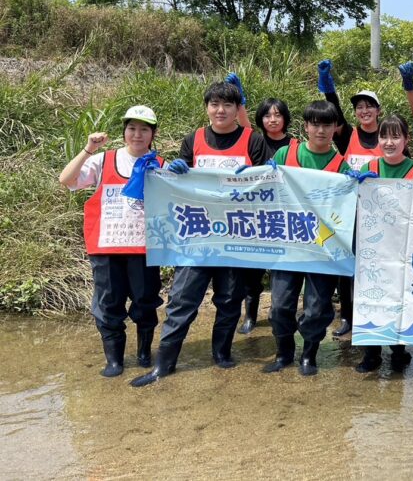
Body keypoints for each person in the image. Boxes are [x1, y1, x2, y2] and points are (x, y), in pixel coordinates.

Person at [131, 82, 270, 387]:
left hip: (236, 238)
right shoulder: (193, 140)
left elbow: (266, 187)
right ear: (207, 107)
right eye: (215, 105)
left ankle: (221, 354)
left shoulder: (253, 141)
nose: (220, 111)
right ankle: (163, 365)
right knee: (182, 300)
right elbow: (177, 188)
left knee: (230, 299)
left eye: (228, 105)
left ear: (237, 110)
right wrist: (176, 170)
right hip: (197, 237)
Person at [262, 100, 370, 376]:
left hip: (323, 251)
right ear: (306, 126)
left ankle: (309, 354)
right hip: (288, 247)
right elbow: (262, 184)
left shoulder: (343, 168)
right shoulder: (286, 154)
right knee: (280, 306)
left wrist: (366, 186)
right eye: (315, 124)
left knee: (317, 308)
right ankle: (283, 353)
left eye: (327, 124)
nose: (321, 130)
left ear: (336, 129)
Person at [59, 106, 164, 378]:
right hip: (106, 246)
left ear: (153, 134)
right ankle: (115, 360)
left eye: (144, 129)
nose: (137, 135)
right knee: (108, 304)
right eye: (132, 128)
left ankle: (143, 353)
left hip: (144, 247)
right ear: (124, 131)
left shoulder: (160, 165)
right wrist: (88, 149)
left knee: (145, 300)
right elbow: (66, 180)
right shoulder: (103, 161)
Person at [317, 59, 382, 337]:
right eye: (359, 107)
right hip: (348, 212)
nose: (364, 110)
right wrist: (327, 85)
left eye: (369, 105)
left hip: (380, 214)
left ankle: (376, 312)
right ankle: (347, 316)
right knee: (347, 266)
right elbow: (336, 113)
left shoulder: (388, 136)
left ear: (378, 110)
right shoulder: (348, 137)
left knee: (376, 264)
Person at [355, 114, 413, 374]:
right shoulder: (367, 169)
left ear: (406, 139)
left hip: (402, 249)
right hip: (371, 250)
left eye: (396, 136)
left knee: (398, 300)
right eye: (384, 136)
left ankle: (398, 349)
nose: (389, 142)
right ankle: (370, 353)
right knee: (369, 298)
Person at [236, 97, 293, 335]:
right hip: (256, 215)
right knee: (253, 270)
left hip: (284, 217)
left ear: (285, 118)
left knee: (281, 270)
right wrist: (239, 101)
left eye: (277, 115)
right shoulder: (255, 142)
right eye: (267, 115)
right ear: (260, 119)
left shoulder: (295, 145)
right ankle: (250, 315)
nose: (272, 119)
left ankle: (276, 311)